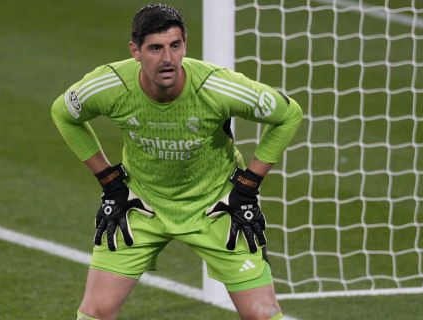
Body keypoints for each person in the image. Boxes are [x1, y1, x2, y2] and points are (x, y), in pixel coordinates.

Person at [51, 3, 302, 320]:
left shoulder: (215, 87)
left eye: (175, 46)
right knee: (95, 312)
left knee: (262, 315)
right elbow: (63, 113)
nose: (167, 58)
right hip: (141, 206)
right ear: (135, 51)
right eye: (155, 48)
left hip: (216, 208)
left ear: (185, 45)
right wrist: (109, 181)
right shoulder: (112, 85)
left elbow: (289, 114)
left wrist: (249, 185)